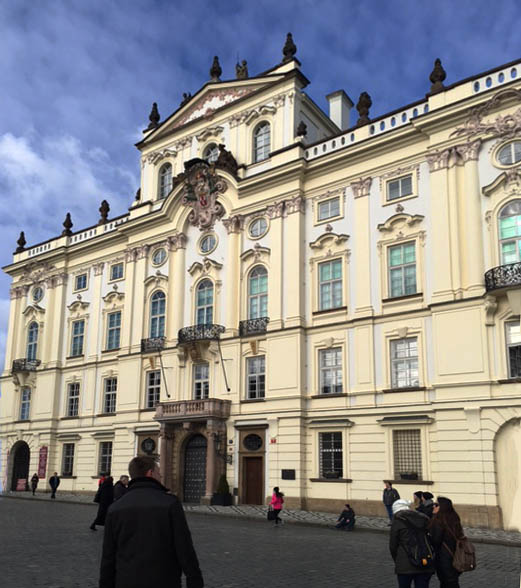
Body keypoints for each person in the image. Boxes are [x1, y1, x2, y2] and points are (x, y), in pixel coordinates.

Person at [99, 456, 203, 588]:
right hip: (163, 581)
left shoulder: (115, 508)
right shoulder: (170, 503)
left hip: (126, 581)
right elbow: (184, 549)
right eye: (159, 473)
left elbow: (108, 556)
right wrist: (194, 580)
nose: (161, 477)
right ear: (150, 473)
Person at [389, 499, 434, 588]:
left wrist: (397, 560)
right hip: (425, 561)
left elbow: (393, 546)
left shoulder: (397, 522)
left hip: (405, 565)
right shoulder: (424, 518)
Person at [429, 497, 464, 588]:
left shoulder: (439, 521)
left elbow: (435, 541)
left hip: (444, 558)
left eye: (436, 505)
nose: (433, 506)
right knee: (452, 581)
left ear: (442, 507)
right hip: (455, 555)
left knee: (447, 582)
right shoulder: (454, 518)